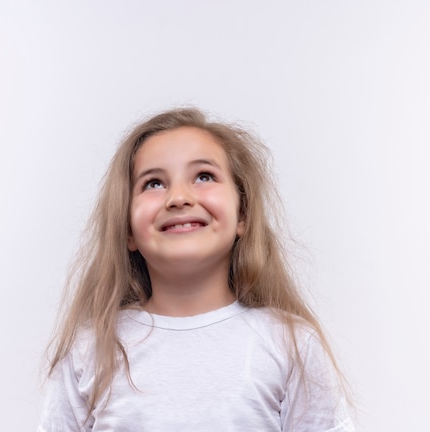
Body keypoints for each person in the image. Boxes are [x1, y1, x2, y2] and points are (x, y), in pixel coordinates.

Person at [38, 108, 355, 431]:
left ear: (242, 215)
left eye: (204, 176)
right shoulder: (89, 348)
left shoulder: (291, 343)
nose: (178, 197)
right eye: (153, 183)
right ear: (128, 230)